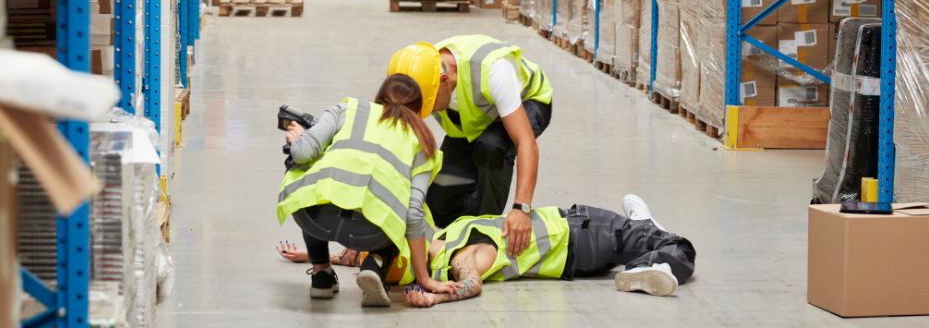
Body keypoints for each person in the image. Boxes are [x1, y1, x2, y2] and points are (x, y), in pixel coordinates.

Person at [276, 74, 461, 307]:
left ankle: (321, 273)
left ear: (377, 98)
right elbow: (413, 214)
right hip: (371, 233)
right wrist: (424, 279)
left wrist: (301, 139)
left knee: (312, 178)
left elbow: (302, 153)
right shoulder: (423, 142)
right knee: (416, 213)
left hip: (314, 219)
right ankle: (375, 264)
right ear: (417, 110)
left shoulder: (347, 109)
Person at [388, 36, 553, 261]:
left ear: (443, 80)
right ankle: (471, 224)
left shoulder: (492, 71)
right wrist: (382, 223)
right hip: (475, 120)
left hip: (527, 102)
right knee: (438, 203)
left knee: (492, 145)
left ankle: (487, 232)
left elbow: (526, 143)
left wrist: (521, 208)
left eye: (426, 105)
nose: (423, 113)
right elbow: (398, 152)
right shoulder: (421, 72)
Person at [403, 195, 697, 308]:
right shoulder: (460, 257)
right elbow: (471, 282)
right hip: (584, 233)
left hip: (575, 261)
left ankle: (641, 226)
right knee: (680, 246)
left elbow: (416, 214)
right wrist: (436, 296)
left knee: (642, 233)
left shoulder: (444, 237)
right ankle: (648, 267)